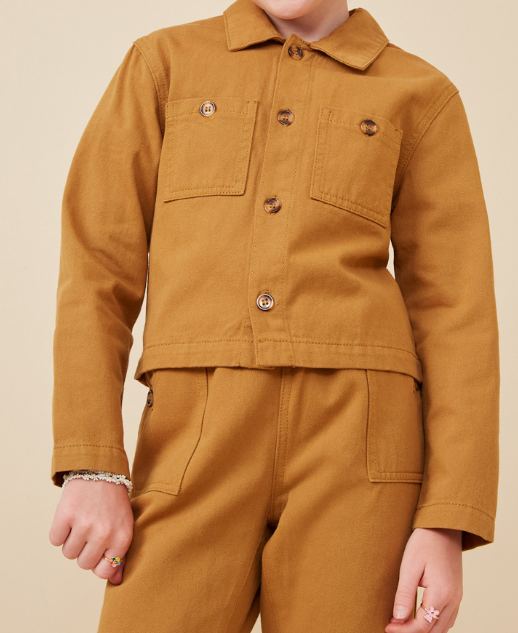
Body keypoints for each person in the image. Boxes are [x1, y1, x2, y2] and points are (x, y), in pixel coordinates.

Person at [48, 0, 500, 631]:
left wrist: (446, 518)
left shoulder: (421, 93)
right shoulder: (163, 65)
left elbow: (458, 313)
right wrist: (93, 463)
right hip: (191, 437)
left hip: (362, 443)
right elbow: (97, 266)